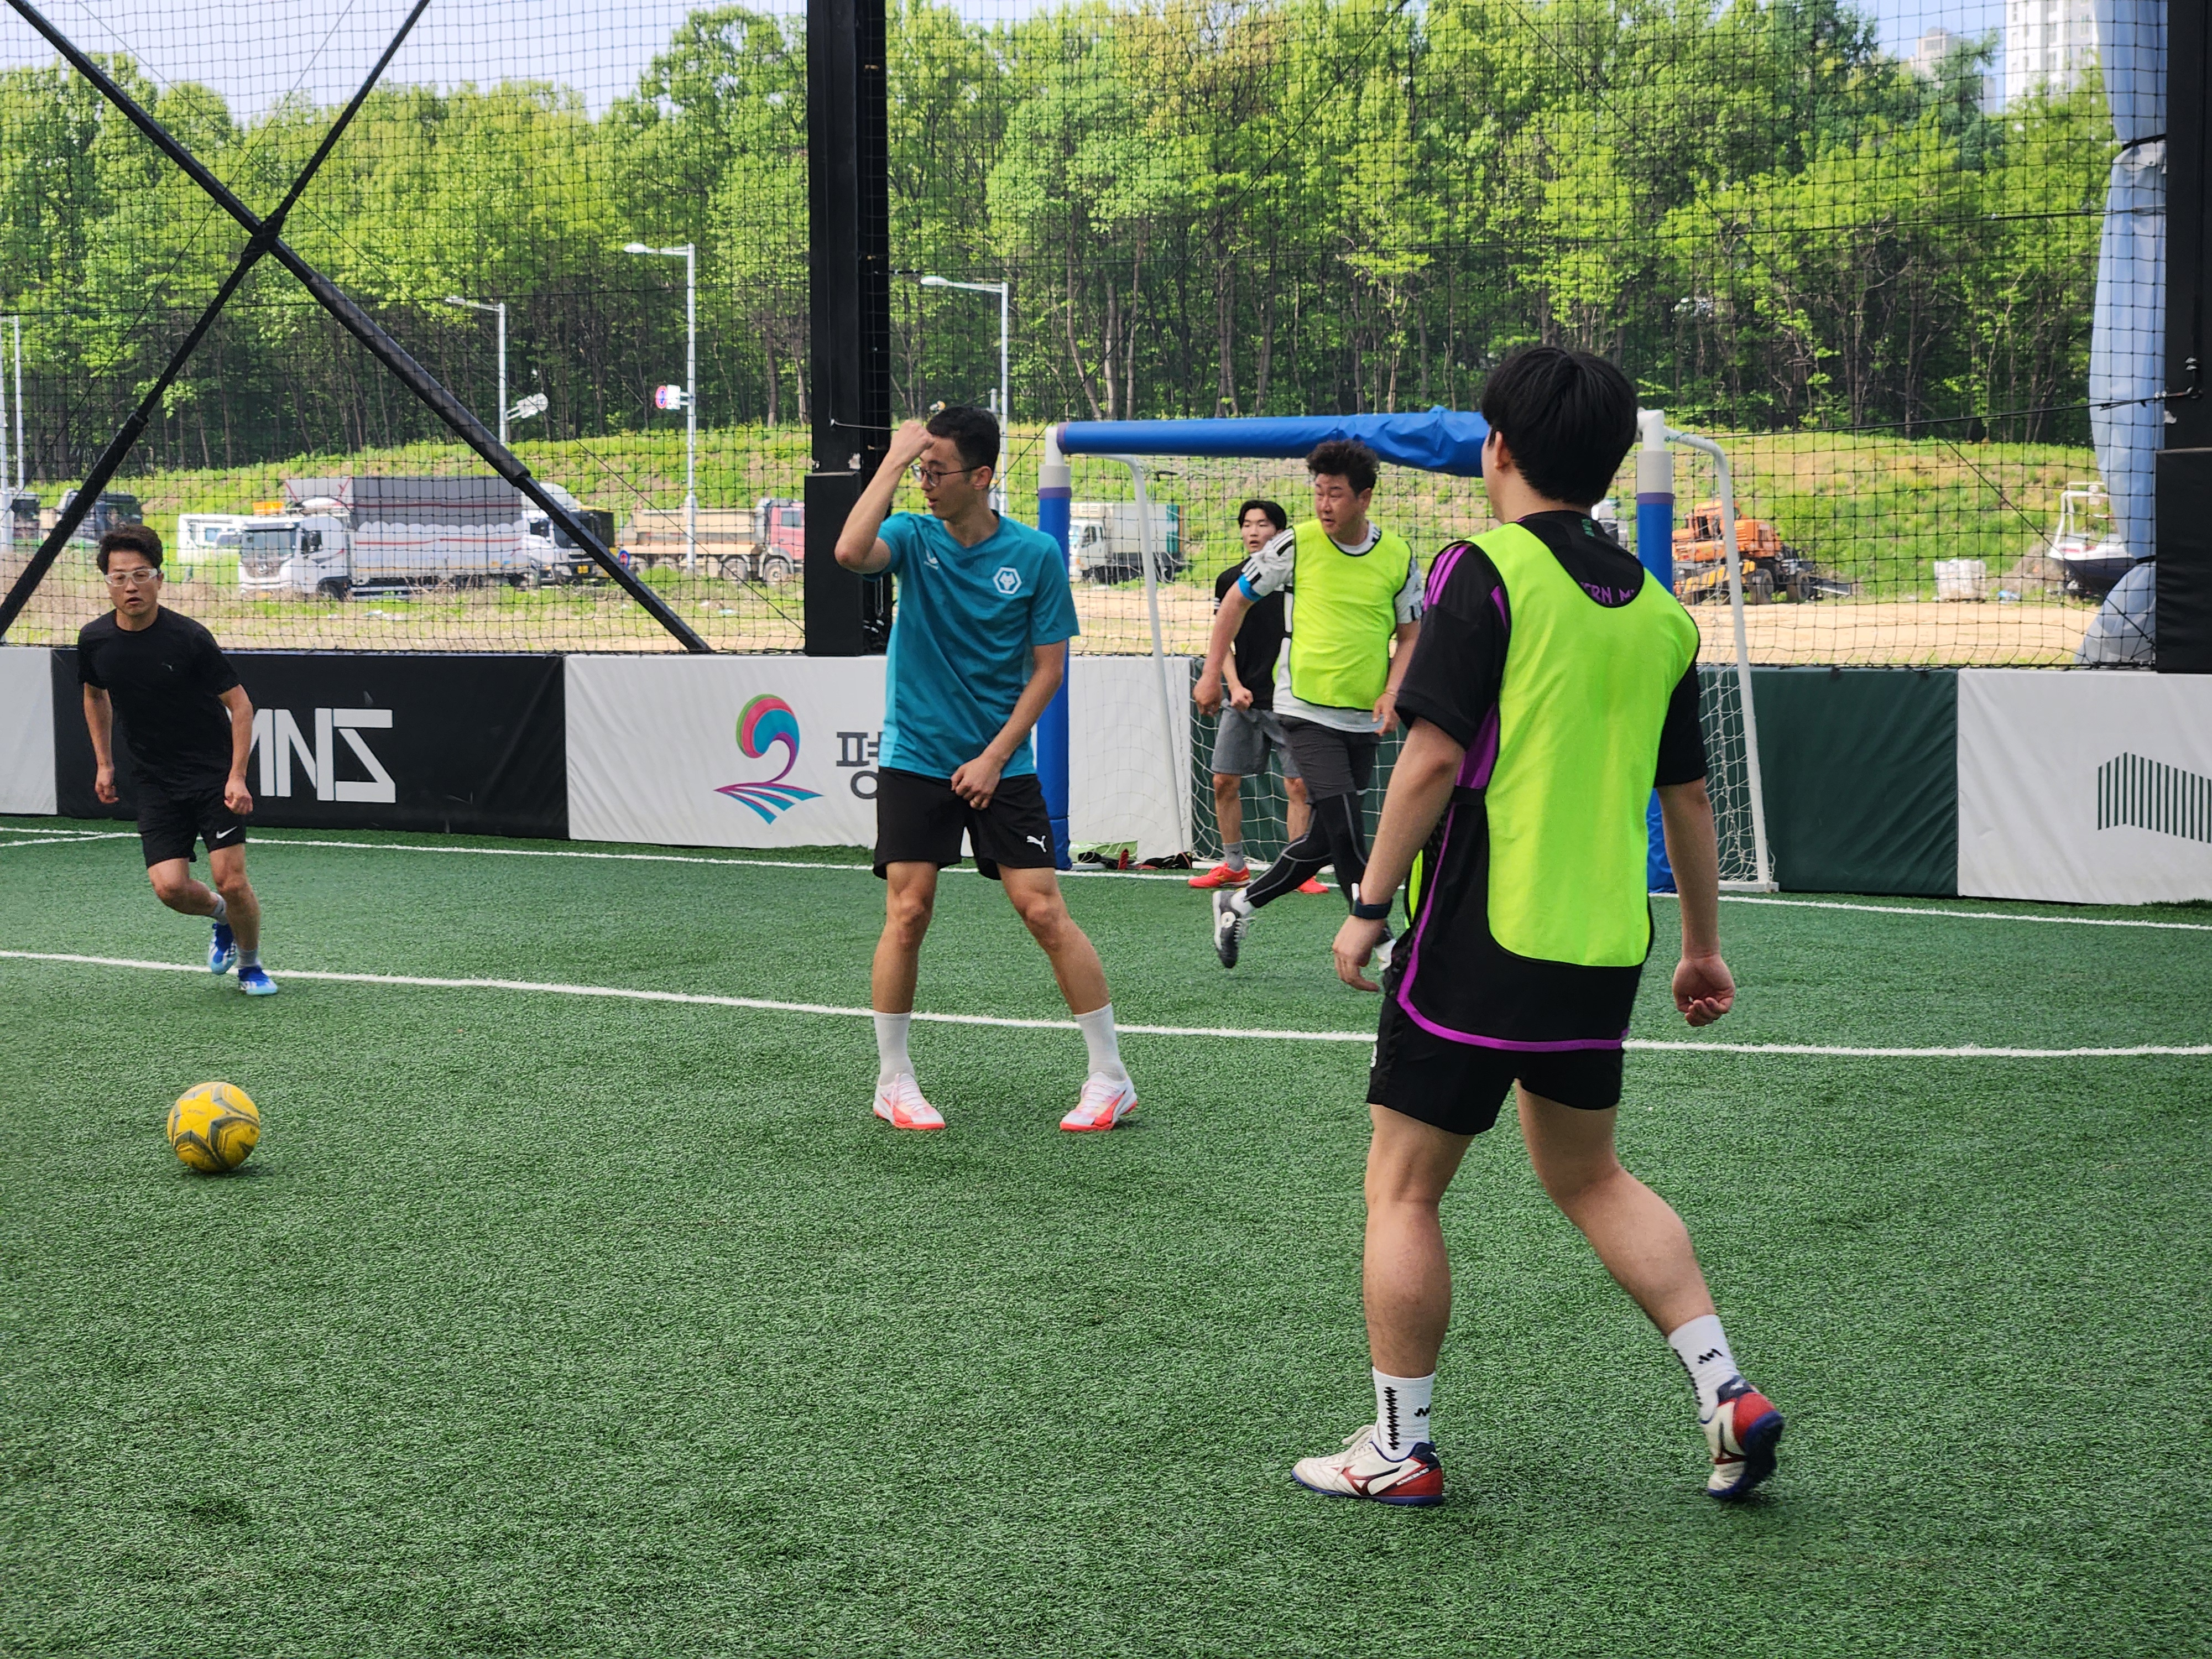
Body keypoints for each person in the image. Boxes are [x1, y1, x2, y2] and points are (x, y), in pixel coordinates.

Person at [1288, 345, 1781, 1508]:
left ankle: (1399, 1451)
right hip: (1603, 945)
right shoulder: (1659, 611)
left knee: (1404, 1191)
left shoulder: (1482, 568)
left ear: (1497, 448)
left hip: (1478, 936)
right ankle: (1725, 1390)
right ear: (1608, 463)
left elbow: (1432, 758)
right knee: (1590, 1175)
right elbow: (1689, 802)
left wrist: (1366, 907)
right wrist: (1702, 949)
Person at [835, 405, 1136, 1134]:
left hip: (1003, 763)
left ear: (981, 477)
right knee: (908, 911)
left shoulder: (1034, 555)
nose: (926, 483)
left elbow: (1048, 670)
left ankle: (1110, 1076)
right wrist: (893, 460)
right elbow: (849, 551)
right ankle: (893, 1080)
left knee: (1043, 909)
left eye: (936, 471)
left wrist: (996, 757)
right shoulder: (912, 536)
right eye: (920, 470)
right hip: (915, 756)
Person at [1195, 440, 1422, 967]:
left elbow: (1412, 635)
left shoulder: (1398, 555)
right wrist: (1211, 673)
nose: (1323, 504)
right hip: (1303, 710)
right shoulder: (1295, 544)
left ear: (1364, 498)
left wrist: (1392, 691)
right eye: (1318, 492)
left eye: (1335, 494)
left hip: (1363, 718)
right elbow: (1235, 601)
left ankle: (1239, 903)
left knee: (1325, 839)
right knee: (1346, 828)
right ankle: (1385, 944)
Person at [78, 524, 277, 996]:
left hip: (212, 777)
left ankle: (250, 966)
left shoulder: (189, 638)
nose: (131, 586)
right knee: (170, 888)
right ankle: (223, 920)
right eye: (119, 577)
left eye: (141, 575)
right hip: (155, 781)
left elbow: (241, 706)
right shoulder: (94, 639)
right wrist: (104, 763)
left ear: (159, 579)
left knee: (231, 880)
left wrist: (237, 777)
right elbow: (94, 695)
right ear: (107, 583)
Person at [1187, 498, 1326, 895]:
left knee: (1298, 786)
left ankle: (1298, 871)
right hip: (1243, 700)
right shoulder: (1230, 580)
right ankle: (1234, 866)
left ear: (1280, 533)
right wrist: (1233, 684)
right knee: (1223, 780)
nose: (1253, 531)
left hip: (1292, 700)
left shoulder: (1302, 580)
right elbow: (1223, 639)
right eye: (1247, 524)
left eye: (1262, 524)